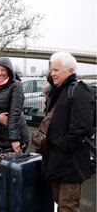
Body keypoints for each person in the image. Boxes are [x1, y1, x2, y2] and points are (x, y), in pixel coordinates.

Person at [42, 52, 94, 212]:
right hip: (57, 160)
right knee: (59, 202)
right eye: (52, 70)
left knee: (67, 206)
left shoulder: (79, 91)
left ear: (70, 71)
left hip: (71, 162)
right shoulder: (58, 91)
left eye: (56, 70)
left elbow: (81, 127)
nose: (53, 73)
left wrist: (61, 145)